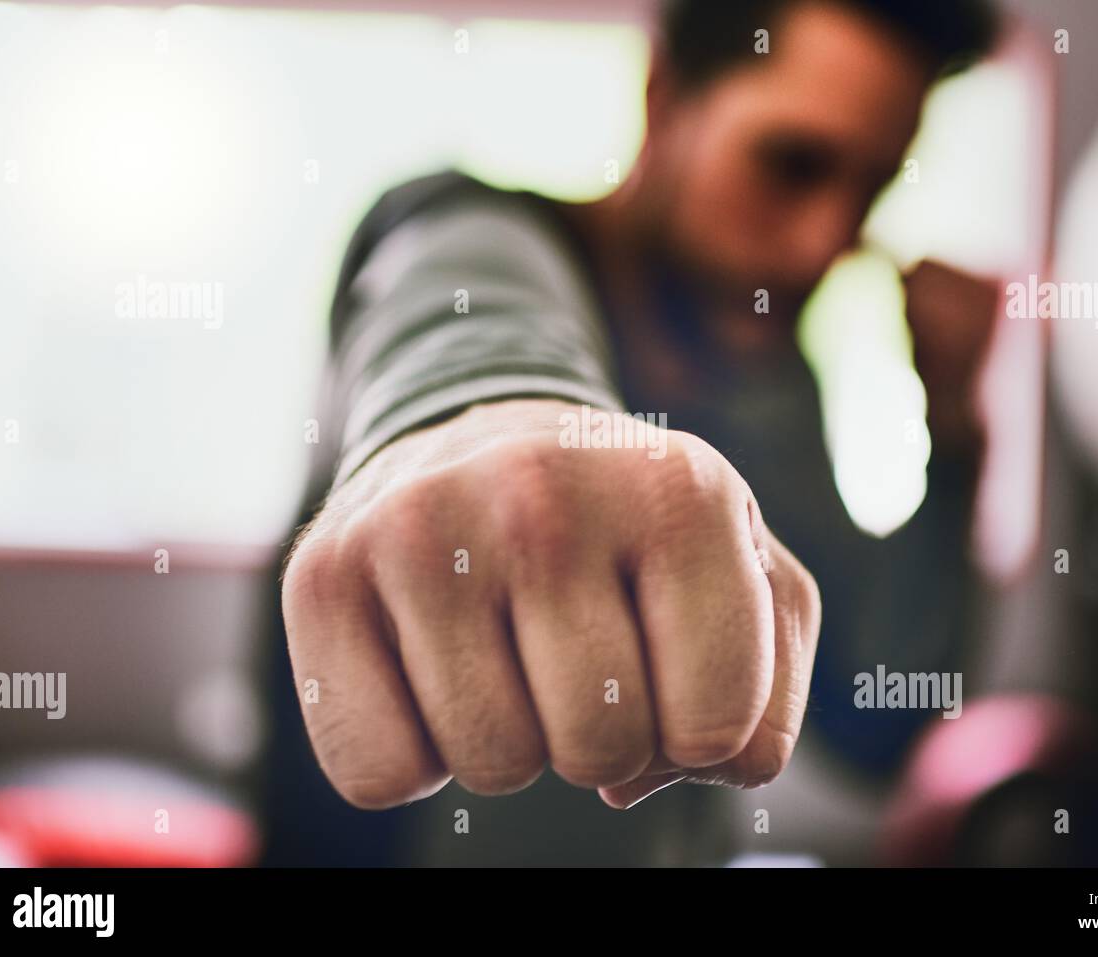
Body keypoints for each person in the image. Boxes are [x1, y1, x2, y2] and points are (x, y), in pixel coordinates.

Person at [263, 0, 998, 865]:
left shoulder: (772, 382)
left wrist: (952, 435)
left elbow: (874, 725)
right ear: (665, 96)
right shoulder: (474, 233)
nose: (823, 244)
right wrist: (492, 418)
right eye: (792, 164)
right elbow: (465, 315)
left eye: (870, 188)